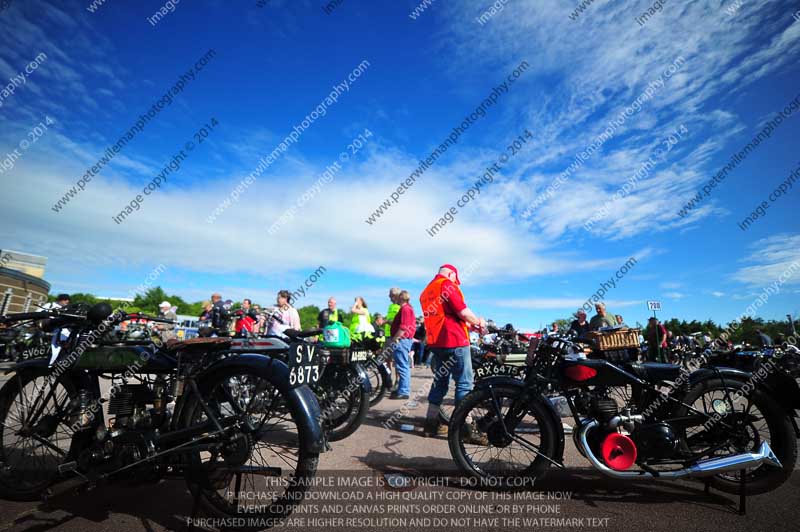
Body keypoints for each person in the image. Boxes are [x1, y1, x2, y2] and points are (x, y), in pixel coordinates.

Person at [420, 264, 487, 443]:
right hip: (455, 342)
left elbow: (446, 316)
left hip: (437, 344)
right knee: (465, 384)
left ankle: (430, 424)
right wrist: (479, 323)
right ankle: (465, 428)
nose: (455, 283)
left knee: (440, 382)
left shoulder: (427, 291)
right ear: (451, 274)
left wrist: (469, 325)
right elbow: (462, 311)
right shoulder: (446, 284)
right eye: (455, 279)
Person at [389, 290, 415, 400]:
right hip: (404, 340)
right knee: (401, 365)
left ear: (401, 298)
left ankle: (404, 391)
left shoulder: (405, 309)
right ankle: (402, 389)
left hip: (402, 340)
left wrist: (395, 338)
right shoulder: (407, 308)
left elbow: (404, 326)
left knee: (402, 366)